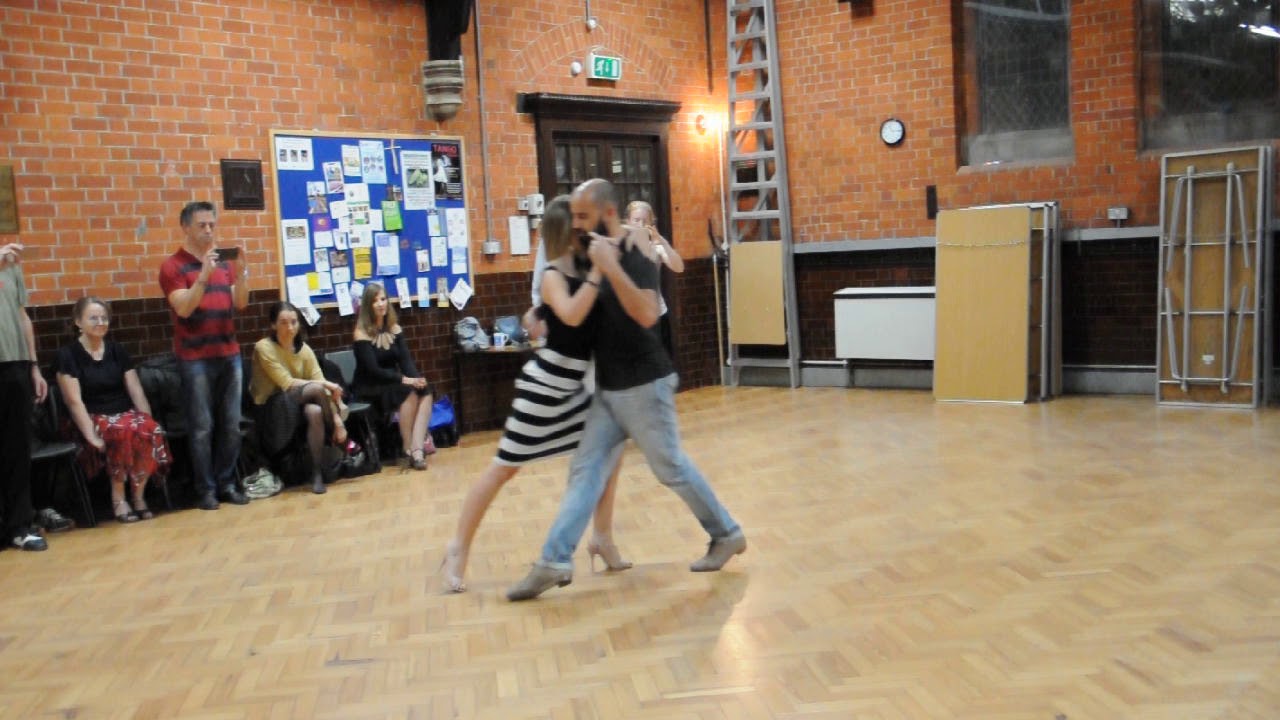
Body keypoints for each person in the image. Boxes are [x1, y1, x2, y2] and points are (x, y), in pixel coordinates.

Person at [507, 179, 746, 601]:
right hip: (609, 388)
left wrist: (610, 267)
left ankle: (726, 533)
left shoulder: (635, 250)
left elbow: (649, 313)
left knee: (669, 467)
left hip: (643, 383)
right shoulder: (587, 253)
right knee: (585, 471)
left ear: (607, 213)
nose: (577, 224)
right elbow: (572, 304)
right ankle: (554, 561)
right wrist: (540, 311)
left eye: (584, 215)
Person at [440, 196, 630, 593]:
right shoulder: (554, 275)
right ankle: (457, 548)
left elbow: (558, 319)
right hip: (542, 390)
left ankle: (603, 536)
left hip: (574, 390)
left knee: (613, 448)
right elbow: (569, 314)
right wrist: (596, 273)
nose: (585, 230)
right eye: (578, 225)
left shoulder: (579, 269)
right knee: (504, 469)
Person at [158, 201, 250, 511]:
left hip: (229, 353)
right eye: (202, 225)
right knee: (201, 427)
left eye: (212, 224)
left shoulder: (222, 263)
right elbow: (183, 307)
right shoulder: (172, 266)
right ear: (185, 227)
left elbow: (241, 304)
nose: (209, 230)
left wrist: (242, 271)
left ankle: (226, 483)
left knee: (232, 423)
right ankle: (205, 489)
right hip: (194, 358)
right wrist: (203, 276)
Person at [56, 297, 171, 523]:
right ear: (78, 322)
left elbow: (136, 390)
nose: (100, 322)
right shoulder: (67, 355)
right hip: (89, 417)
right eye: (93, 318)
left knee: (150, 430)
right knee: (120, 432)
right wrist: (91, 436)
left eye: (104, 318)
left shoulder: (117, 350)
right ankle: (118, 498)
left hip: (122, 412)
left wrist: (148, 419)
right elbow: (73, 402)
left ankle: (138, 497)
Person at [250, 301, 347, 495]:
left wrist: (338, 421)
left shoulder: (305, 350)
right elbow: (286, 383)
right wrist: (327, 385)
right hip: (270, 410)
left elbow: (318, 383)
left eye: (294, 322)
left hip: (299, 405)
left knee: (315, 411)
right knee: (316, 389)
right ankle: (335, 436)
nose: (290, 327)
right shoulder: (263, 348)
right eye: (284, 322)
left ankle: (317, 473)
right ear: (273, 325)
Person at [351, 282, 435, 470]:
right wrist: (405, 380)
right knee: (408, 391)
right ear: (367, 306)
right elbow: (373, 370)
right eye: (375, 301)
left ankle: (417, 449)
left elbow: (406, 361)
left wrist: (416, 378)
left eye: (383, 299)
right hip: (370, 385)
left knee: (425, 391)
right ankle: (407, 447)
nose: (381, 304)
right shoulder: (360, 333)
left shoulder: (394, 328)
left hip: (393, 381)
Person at [0, 243, 50, 550]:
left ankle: (19, 526)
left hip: (14, 366)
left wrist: (33, 366)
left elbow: (22, 315)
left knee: (17, 449)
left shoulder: (10, 263)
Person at [625, 200, 685, 361]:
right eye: (636, 220)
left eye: (645, 221)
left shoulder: (656, 248)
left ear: (652, 224)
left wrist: (662, 241)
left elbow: (679, 267)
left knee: (663, 367)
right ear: (627, 222)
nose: (640, 224)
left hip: (658, 314)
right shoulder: (622, 250)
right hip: (631, 318)